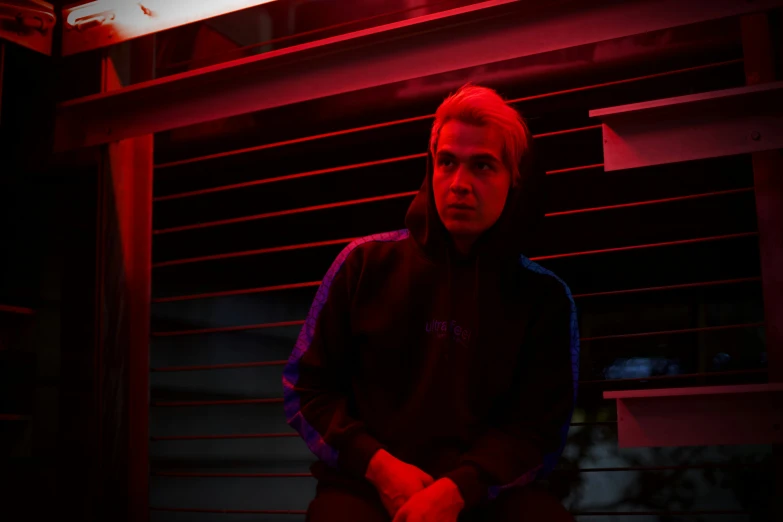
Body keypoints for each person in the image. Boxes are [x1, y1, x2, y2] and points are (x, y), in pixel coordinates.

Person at [283, 83, 579, 522]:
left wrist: (456, 490)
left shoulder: (543, 297)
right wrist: (382, 470)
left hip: (486, 497)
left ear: (513, 180)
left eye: (482, 166)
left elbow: (538, 432)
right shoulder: (363, 265)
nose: (460, 184)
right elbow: (306, 390)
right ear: (430, 168)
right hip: (366, 489)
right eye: (447, 163)